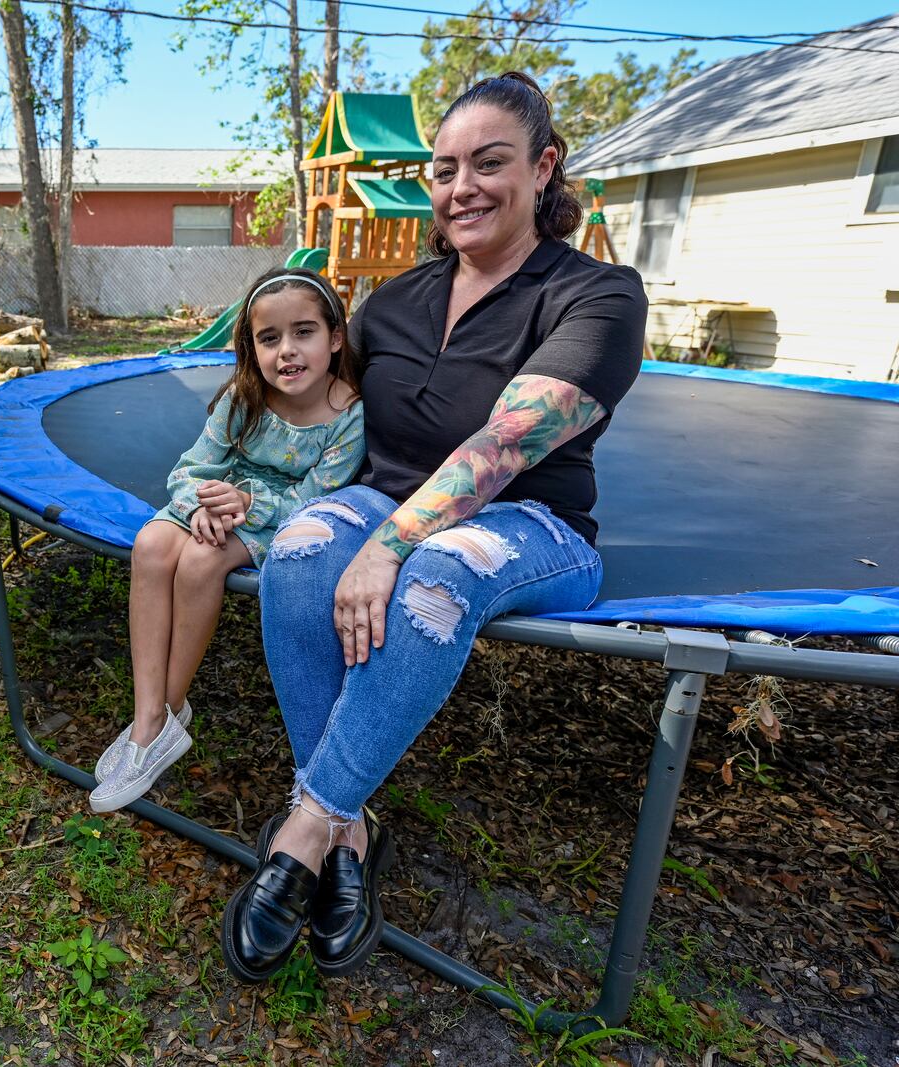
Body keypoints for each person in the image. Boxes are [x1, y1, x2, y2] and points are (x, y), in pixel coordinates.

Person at [219, 72, 648, 983]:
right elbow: (313, 404)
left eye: (490, 163)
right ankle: (351, 828)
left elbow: (505, 443)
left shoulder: (597, 295)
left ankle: (307, 826)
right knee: (299, 551)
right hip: (383, 495)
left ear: (544, 167)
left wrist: (387, 546)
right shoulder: (393, 301)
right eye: (445, 169)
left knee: (438, 572)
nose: (463, 188)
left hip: (530, 520)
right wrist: (231, 483)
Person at [90, 267, 365, 814]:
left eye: (304, 332)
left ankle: (166, 712)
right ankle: (151, 717)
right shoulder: (243, 398)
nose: (287, 351)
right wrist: (201, 505)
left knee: (198, 563)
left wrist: (245, 507)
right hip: (214, 506)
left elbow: (314, 502)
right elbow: (189, 469)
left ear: (335, 338)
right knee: (150, 546)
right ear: (252, 347)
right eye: (270, 338)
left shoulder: (347, 415)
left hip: (273, 519)